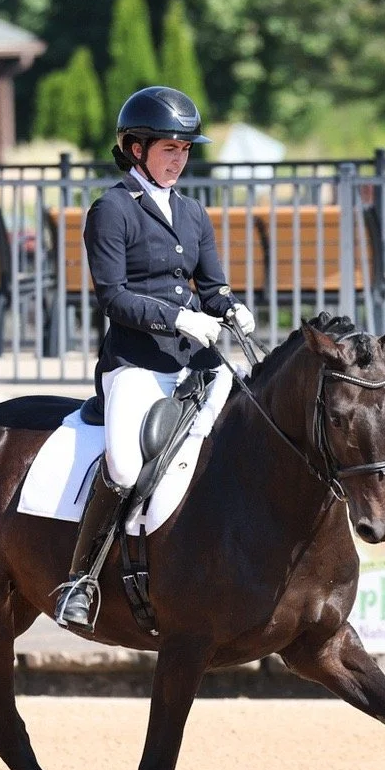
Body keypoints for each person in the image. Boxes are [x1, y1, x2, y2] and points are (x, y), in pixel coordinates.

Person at [54, 85, 256, 629]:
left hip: (197, 362)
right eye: (170, 148)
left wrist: (231, 308)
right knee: (123, 462)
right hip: (137, 362)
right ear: (136, 148)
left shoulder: (192, 212)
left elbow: (212, 287)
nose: (180, 159)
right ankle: (81, 579)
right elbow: (113, 297)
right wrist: (177, 317)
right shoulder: (112, 209)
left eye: (186, 149)